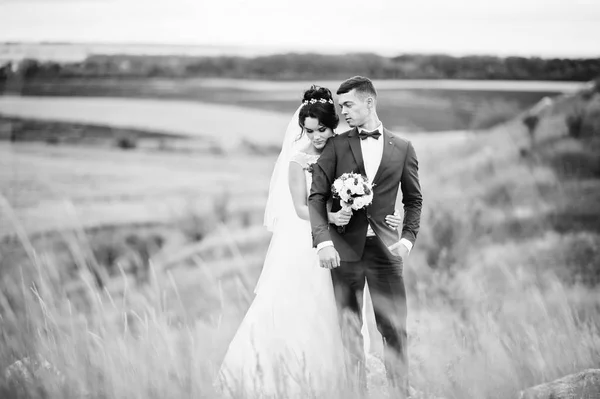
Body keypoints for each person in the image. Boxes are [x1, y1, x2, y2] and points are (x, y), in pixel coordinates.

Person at [216, 85, 404, 397]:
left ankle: (338, 384)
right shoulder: (297, 161)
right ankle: (288, 381)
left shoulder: (346, 153)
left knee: (340, 314)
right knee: (299, 307)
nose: (317, 136)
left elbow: (364, 191)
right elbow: (301, 207)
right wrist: (330, 219)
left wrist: (370, 209)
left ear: (335, 126)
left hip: (344, 247)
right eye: (310, 130)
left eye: (323, 129)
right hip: (305, 245)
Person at [308, 76, 423, 398]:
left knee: (394, 328)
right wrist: (324, 241)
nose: (342, 111)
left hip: (387, 252)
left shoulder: (402, 148)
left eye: (348, 105)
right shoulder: (336, 145)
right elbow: (316, 197)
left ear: (369, 102)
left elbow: (414, 199)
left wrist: (408, 238)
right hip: (344, 251)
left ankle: (401, 393)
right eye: (340, 105)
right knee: (349, 330)